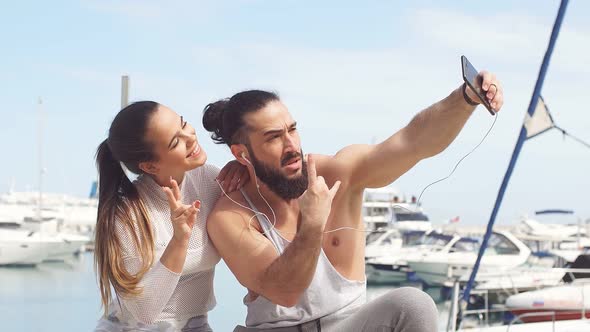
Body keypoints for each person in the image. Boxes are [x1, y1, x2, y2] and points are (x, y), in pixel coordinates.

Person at [203, 71, 504, 331]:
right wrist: (313, 223)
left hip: (350, 323)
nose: (291, 145)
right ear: (242, 154)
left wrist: (465, 98)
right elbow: (285, 291)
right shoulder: (230, 217)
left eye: (292, 130)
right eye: (273, 137)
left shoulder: (337, 173)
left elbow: (413, 141)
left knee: (413, 304)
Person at [93, 101, 247, 332]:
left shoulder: (211, 182)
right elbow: (144, 311)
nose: (190, 137)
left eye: (184, 123)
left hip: (195, 324)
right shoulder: (127, 214)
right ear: (150, 166)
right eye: (176, 141)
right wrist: (179, 239)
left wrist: (246, 166)